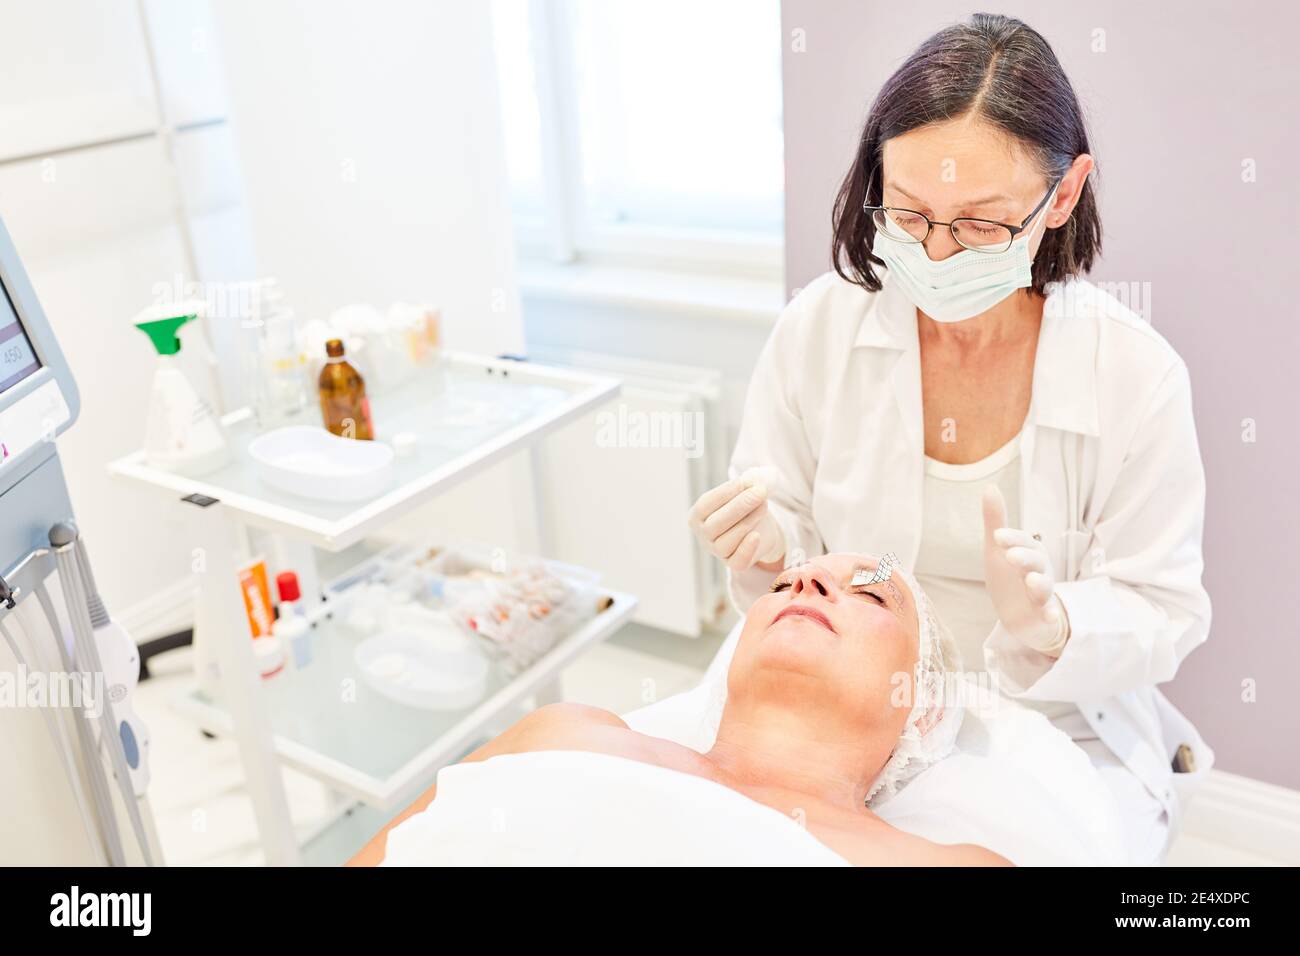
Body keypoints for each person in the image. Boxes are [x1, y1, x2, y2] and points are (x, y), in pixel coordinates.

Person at [687, 13, 1211, 864]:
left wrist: (1052, 623)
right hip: (841, 704)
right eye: (910, 211)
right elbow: (781, 541)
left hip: (1044, 722)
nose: (935, 251)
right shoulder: (820, 328)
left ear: (1065, 194)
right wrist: (769, 543)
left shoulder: (1137, 376)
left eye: (979, 225)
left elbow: (1168, 611)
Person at [350, 553, 1006, 866]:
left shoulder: (947, 863)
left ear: (920, 707)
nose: (805, 581)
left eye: (871, 595)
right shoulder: (565, 730)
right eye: (782, 583)